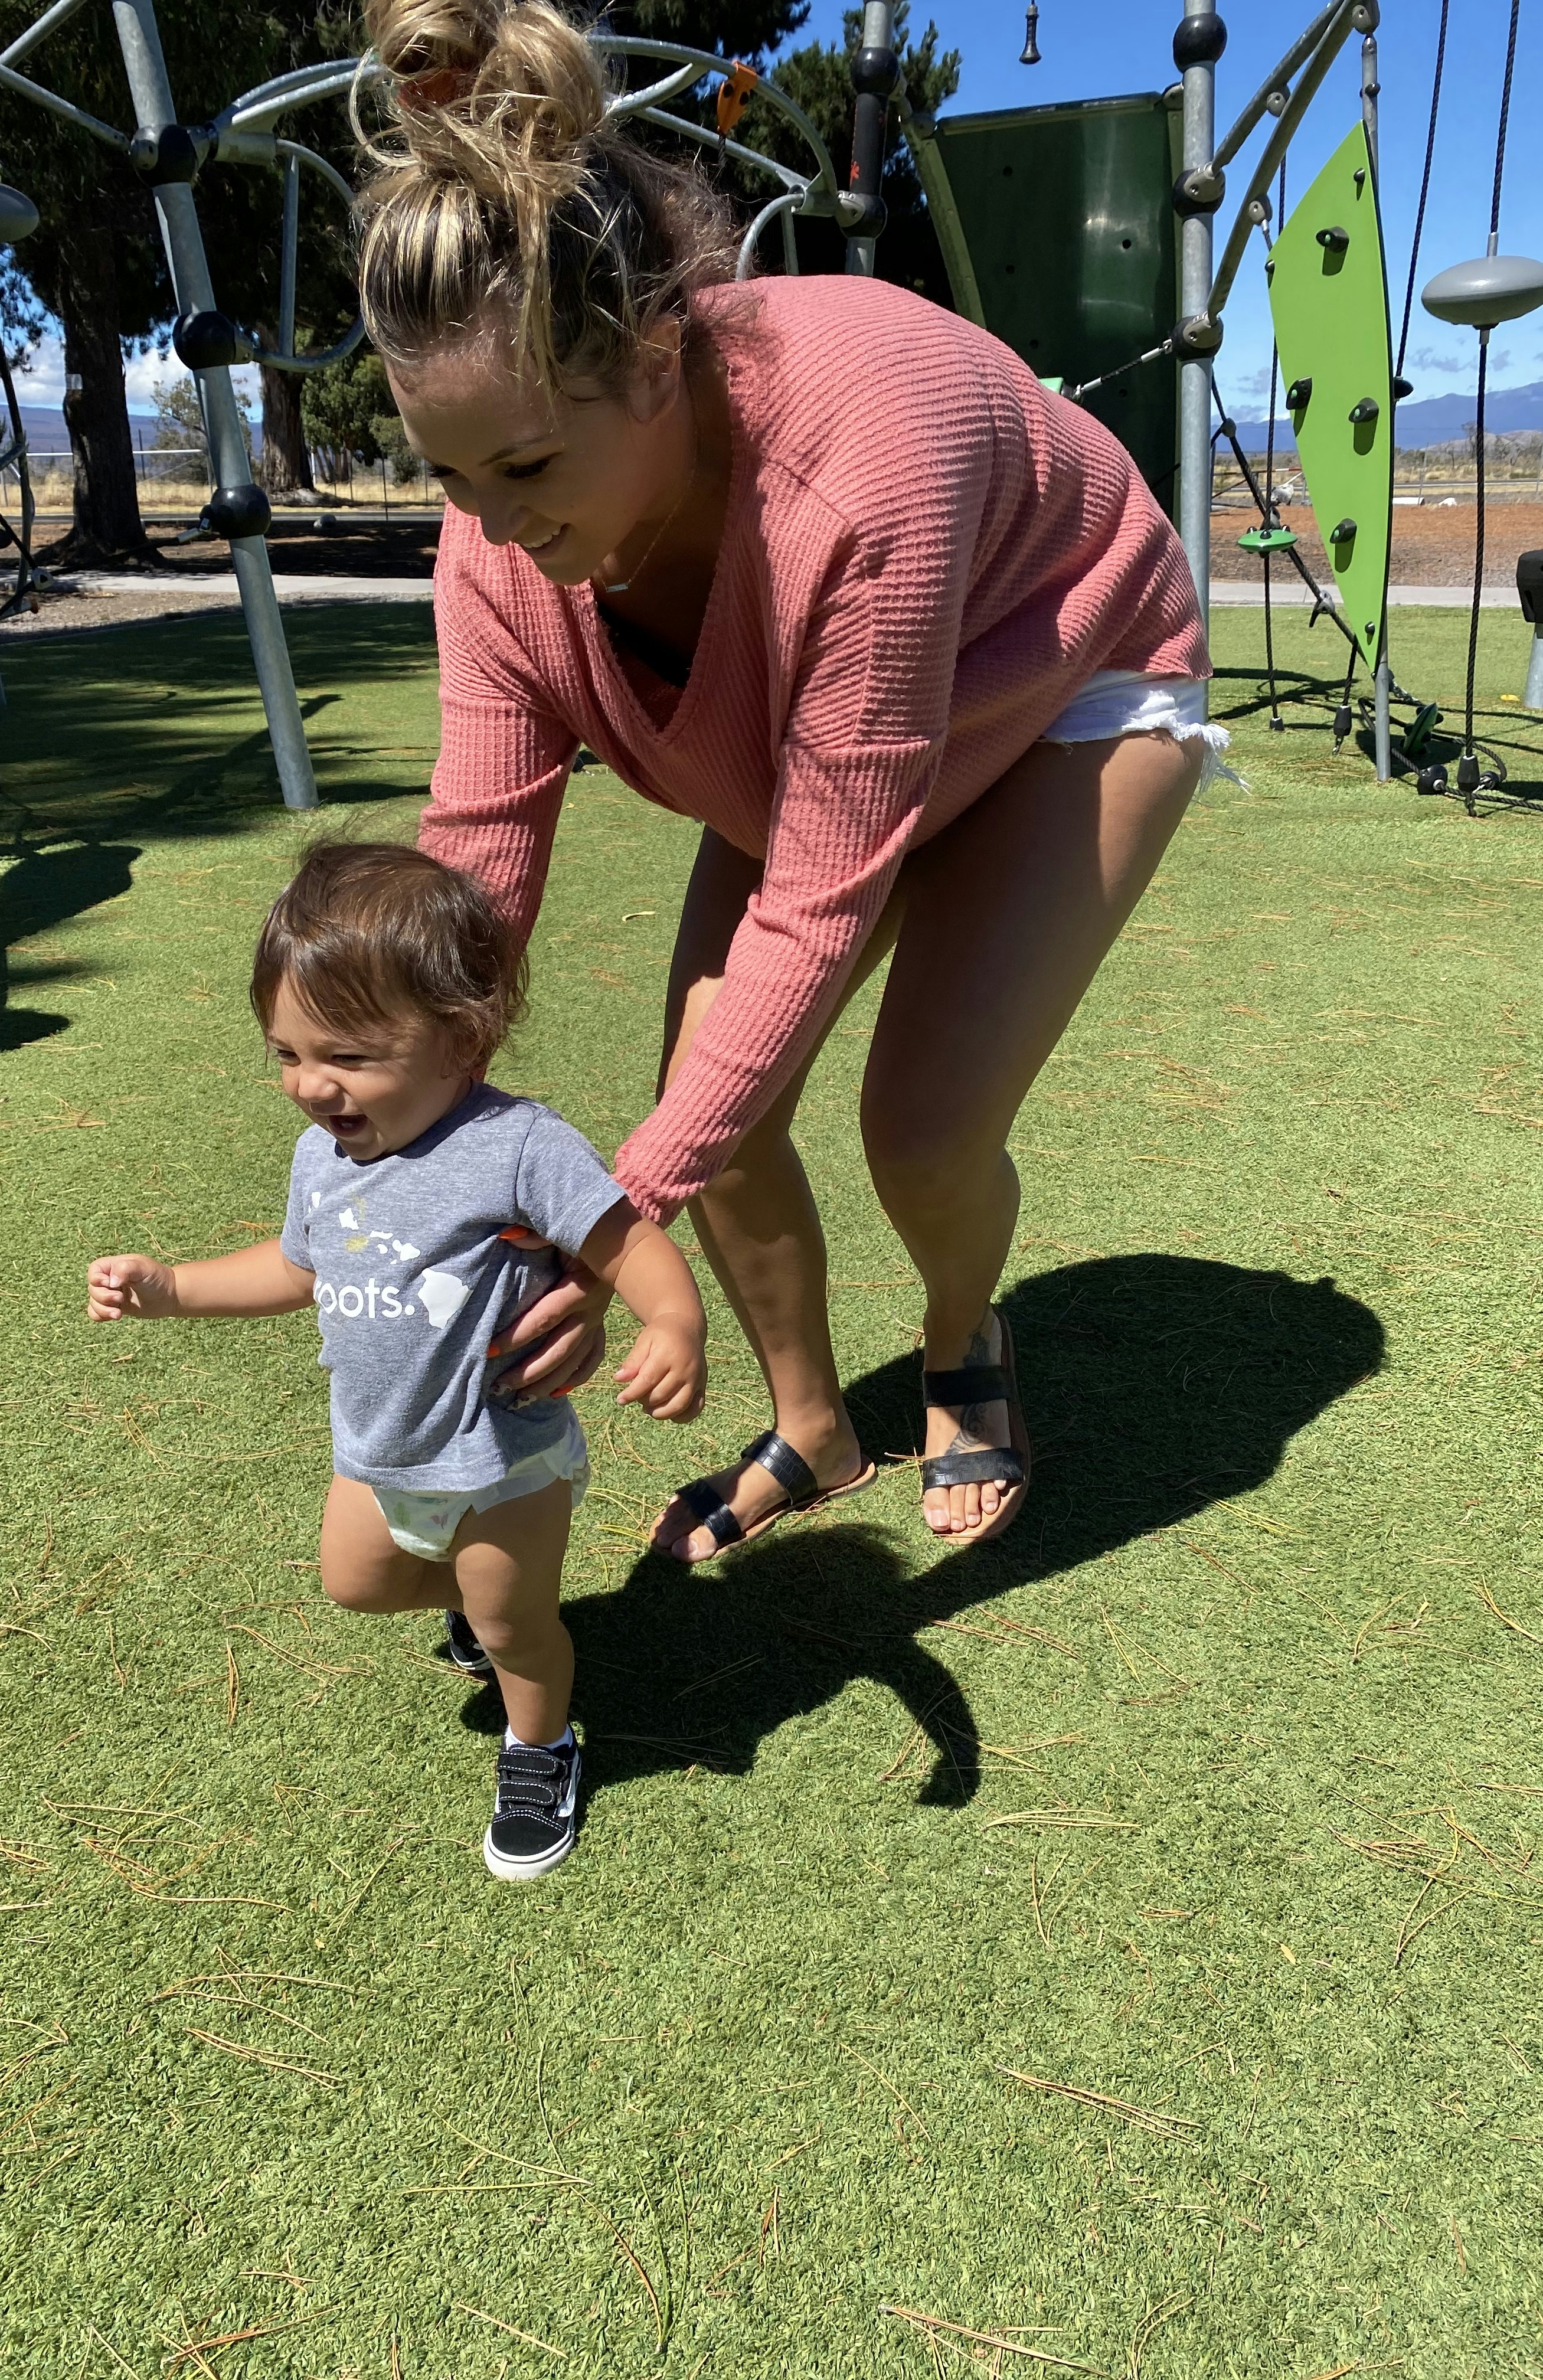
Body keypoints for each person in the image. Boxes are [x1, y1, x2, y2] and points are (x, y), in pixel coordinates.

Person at [355, 0, 1224, 1561]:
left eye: (529, 468)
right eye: (449, 475)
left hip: (1063, 678)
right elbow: (476, 860)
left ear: (656, 356)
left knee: (925, 1126)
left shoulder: (853, 472)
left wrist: (609, 1223)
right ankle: (814, 1429)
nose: (489, 526)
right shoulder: (495, 548)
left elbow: (820, 903)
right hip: (827, 737)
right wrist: (417, 1133)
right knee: (726, 1104)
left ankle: (965, 1346)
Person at [85, 842, 707, 1880]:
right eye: (285, 1053)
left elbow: (628, 1241)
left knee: (515, 1629)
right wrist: (174, 1288)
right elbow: (296, 1269)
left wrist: (672, 1322)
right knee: (357, 1586)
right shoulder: (324, 1152)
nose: (310, 1085)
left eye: (347, 1056)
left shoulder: (516, 1145)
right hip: (377, 1452)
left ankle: (541, 1742)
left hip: (501, 1453)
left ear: (463, 1036)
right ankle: (480, 1608)